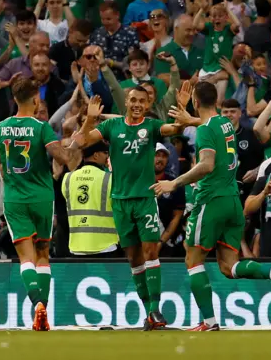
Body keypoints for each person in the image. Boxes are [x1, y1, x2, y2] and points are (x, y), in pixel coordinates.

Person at [151, 81, 271, 332]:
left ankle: (208, 322)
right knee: (229, 266)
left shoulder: (207, 129)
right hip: (232, 200)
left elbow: (206, 164)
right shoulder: (225, 123)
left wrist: (173, 183)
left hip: (211, 199)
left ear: (196, 102)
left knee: (192, 257)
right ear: (216, 103)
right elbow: (209, 125)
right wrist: (190, 120)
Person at [74, 86, 188, 330]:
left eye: (142, 101)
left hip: (145, 200)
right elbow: (81, 141)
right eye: (133, 100)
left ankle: (155, 310)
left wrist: (183, 111)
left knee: (150, 253)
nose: (137, 104)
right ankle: (148, 312)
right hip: (120, 201)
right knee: (134, 258)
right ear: (126, 101)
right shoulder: (111, 127)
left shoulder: (151, 126)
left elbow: (175, 129)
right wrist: (90, 119)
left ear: (147, 105)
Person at [0, 76, 70, 331]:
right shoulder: (41, 127)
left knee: (26, 258)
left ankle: (37, 306)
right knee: (43, 254)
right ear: (36, 98)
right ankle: (43, 308)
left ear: (14, 99)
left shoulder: (1, 127)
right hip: (42, 198)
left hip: (15, 199)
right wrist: (67, 145)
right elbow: (60, 157)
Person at [62, 140, 120, 257]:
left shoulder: (68, 178)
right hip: (106, 245)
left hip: (76, 246)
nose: (107, 156)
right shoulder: (110, 179)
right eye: (105, 153)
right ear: (96, 155)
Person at [193, 0, 241, 104]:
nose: (217, 18)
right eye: (214, 16)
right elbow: (195, 25)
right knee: (200, 102)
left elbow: (237, 24)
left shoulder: (228, 30)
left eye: (220, 16)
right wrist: (201, 9)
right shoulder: (209, 28)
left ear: (226, 17)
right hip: (206, 70)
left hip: (221, 70)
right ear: (210, 18)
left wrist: (228, 8)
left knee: (219, 101)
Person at [90, 0, 140, 80]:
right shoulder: (97, 33)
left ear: (117, 15)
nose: (105, 22)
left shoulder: (130, 33)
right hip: (99, 79)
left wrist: (111, 63)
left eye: (108, 19)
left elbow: (134, 61)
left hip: (122, 80)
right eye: (102, 19)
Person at [153, 143, 186, 257]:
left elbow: (177, 217)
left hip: (167, 245)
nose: (160, 159)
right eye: (157, 155)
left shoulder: (175, 184)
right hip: (141, 243)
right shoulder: (138, 182)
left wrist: (161, 243)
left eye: (164, 156)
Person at [154, 14, 203, 84]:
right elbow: (164, 79)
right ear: (176, 29)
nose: (192, 33)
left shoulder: (200, 51)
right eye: (188, 30)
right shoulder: (163, 52)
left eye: (193, 30)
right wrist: (189, 83)